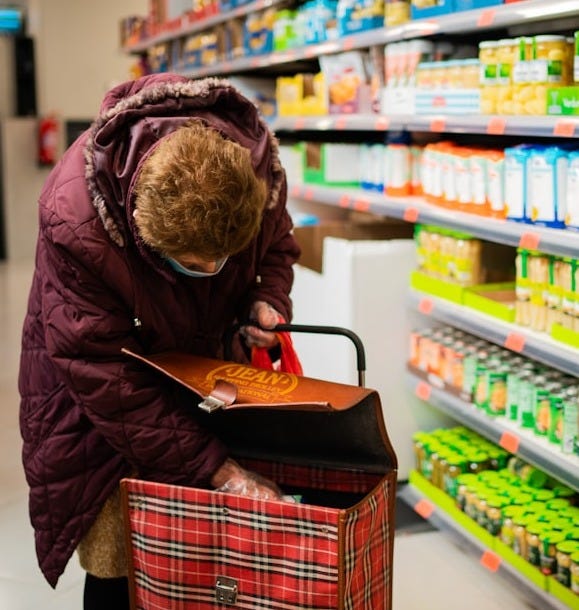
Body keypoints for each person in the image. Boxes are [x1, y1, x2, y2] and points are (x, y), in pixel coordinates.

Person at [18, 73, 301, 609]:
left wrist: (267, 298)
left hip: (205, 376)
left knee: (209, 561)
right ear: (144, 235)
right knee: (120, 558)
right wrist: (215, 468)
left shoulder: (256, 178)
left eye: (222, 261)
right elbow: (101, 370)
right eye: (192, 265)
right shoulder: (76, 217)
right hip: (100, 408)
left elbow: (276, 248)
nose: (211, 271)